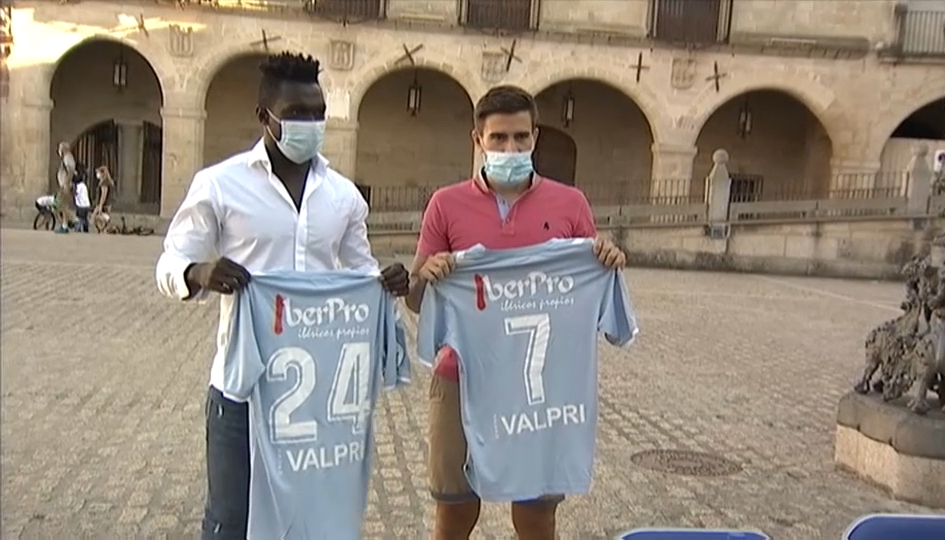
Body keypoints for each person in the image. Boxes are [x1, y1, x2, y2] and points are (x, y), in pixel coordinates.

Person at [154, 51, 410, 540]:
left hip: (320, 395)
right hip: (243, 390)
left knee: (312, 521)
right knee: (230, 521)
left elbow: (362, 272)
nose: (309, 125)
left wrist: (387, 284)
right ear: (264, 116)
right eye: (296, 114)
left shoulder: (343, 196)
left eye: (317, 114)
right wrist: (199, 272)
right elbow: (169, 264)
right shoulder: (219, 185)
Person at [405, 84, 627, 540]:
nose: (511, 148)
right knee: (454, 510)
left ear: (535, 137)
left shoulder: (571, 204)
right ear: (478, 141)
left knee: (537, 515)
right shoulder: (446, 204)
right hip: (461, 376)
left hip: (541, 387)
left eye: (521, 137)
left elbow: (589, 280)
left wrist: (605, 259)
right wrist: (427, 274)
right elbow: (415, 298)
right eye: (499, 138)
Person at [54, 142, 77, 234]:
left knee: (62, 205)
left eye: (60, 148)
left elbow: (70, 171)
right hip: (63, 184)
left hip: (65, 185)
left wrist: (66, 183)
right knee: (59, 205)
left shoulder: (68, 158)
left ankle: (67, 223)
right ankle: (67, 222)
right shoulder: (66, 158)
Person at [93, 166, 115, 233]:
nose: (97, 175)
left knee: (96, 218)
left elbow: (103, 195)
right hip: (108, 203)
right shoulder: (109, 182)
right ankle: (104, 230)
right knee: (105, 219)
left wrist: (100, 205)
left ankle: (102, 230)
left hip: (104, 204)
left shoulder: (104, 182)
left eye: (98, 173)